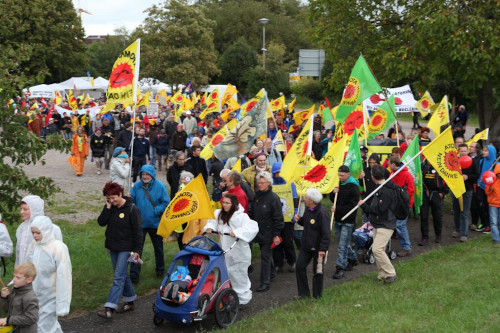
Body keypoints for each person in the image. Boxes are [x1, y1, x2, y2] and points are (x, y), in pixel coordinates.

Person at [97, 182, 143, 319]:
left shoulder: (132, 209)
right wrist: (108, 207)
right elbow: (101, 222)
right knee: (122, 275)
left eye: (113, 197)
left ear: (120, 194)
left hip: (126, 249)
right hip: (113, 248)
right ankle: (130, 302)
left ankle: (109, 308)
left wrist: (137, 250)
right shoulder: (111, 207)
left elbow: (138, 232)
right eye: (108, 198)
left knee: (118, 277)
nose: (112, 200)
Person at [205, 193, 259, 306]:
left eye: (227, 203)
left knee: (238, 276)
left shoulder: (241, 217)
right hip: (225, 251)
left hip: (239, 253)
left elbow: (252, 227)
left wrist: (237, 232)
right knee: (224, 274)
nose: (224, 205)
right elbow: (213, 221)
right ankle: (228, 296)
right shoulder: (219, 214)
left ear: (233, 204)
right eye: (223, 202)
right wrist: (210, 228)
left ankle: (243, 300)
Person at [27, 216, 72, 333]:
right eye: (33, 233)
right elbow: (28, 267)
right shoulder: (34, 245)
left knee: (44, 326)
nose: (35, 236)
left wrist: (62, 303)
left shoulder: (58, 248)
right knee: (45, 325)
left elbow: (64, 276)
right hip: (36, 294)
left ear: (46, 231)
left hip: (51, 296)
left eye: (38, 233)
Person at [129, 165, 170, 282]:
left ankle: (160, 270)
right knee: (136, 250)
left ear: (152, 175)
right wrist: (128, 198)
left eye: (147, 174)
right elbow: (132, 200)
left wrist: (155, 210)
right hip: (139, 224)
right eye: (143, 174)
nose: (145, 176)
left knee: (158, 249)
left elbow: (166, 203)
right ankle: (134, 274)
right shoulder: (136, 186)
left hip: (155, 223)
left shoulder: (160, 186)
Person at [359, 164, 398, 283]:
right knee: (379, 250)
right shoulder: (380, 187)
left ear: (373, 176)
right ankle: (382, 274)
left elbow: (380, 209)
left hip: (386, 224)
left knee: (377, 249)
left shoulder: (386, 190)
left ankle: (390, 273)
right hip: (378, 223)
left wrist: (364, 206)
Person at [249, 171, 284, 292]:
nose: (260, 185)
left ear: (268, 183)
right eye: (258, 182)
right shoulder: (256, 196)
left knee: (265, 256)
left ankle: (265, 282)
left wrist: (276, 235)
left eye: (262, 183)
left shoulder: (274, 198)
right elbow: (252, 212)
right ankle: (272, 271)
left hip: (269, 232)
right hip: (257, 231)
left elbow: (278, 218)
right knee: (266, 256)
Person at [294, 188, 331, 299]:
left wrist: (323, 249)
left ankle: (317, 295)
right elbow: (306, 222)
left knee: (317, 271)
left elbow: (326, 233)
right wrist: (299, 220)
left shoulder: (322, 213)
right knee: (300, 267)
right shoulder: (308, 209)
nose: (304, 198)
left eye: (306, 197)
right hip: (306, 245)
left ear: (312, 200)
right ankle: (304, 293)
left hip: (318, 247)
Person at [330, 165, 360, 279]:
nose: (340, 177)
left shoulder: (354, 187)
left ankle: (340, 267)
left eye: (342, 175)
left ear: (348, 174)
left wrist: (338, 209)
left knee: (342, 246)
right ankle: (353, 258)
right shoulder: (339, 184)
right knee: (343, 243)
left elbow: (353, 206)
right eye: (339, 175)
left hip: (348, 220)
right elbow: (333, 199)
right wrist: (333, 193)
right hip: (338, 219)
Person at [16, 195, 62, 267]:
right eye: (21, 209)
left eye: (25, 209)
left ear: (35, 210)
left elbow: (59, 254)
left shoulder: (51, 228)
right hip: (25, 272)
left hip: (44, 272)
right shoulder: (21, 228)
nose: (21, 212)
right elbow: (19, 252)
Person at [271, 162, 297, 273]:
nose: (278, 175)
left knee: (288, 241)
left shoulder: (290, 184)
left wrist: (295, 212)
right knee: (276, 242)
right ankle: (278, 263)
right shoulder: (271, 185)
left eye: (280, 172)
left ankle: (292, 262)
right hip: (275, 219)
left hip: (288, 219)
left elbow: (295, 199)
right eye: (276, 173)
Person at [0, 262, 39, 332]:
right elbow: (7, 310)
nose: (14, 279)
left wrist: (7, 320)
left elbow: (31, 318)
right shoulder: (14, 292)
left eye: (18, 277)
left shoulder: (30, 297)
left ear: (29, 280)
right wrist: (4, 298)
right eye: (14, 276)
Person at [388, 156, 414, 256]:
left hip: (404, 205)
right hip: (395, 204)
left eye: (389, 164)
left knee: (400, 225)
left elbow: (411, 190)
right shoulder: (393, 173)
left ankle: (406, 247)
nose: (388, 166)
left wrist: (400, 195)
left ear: (394, 164)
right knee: (398, 225)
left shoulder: (407, 175)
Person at [452, 144, 479, 242]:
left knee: (465, 212)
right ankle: (456, 229)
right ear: (458, 152)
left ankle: (464, 234)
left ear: (467, 151)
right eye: (461, 151)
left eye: (465, 151)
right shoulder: (454, 162)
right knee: (456, 211)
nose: (463, 152)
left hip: (468, 190)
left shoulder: (472, 162)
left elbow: (476, 175)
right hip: (456, 190)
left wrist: (468, 177)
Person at [419, 159, 447, 245]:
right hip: (424, 193)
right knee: (423, 216)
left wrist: (443, 192)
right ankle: (424, 237)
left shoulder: (440, 166)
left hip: (436, 194)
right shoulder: (422, 166)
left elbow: (447, 179)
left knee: (437, 216)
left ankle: (438, 234)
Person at [475, 144, 498, 232]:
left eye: (486, 151)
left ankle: (489, 224)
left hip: (491, 189)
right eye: (483, 150)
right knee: (480, 206)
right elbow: (480, 173)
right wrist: (478, 182)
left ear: (491, 152)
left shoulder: (496, 164)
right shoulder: (482, 161)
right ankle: (484, 223)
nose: (483, 152)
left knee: (488, 207)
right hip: (481, 187)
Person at [485, 164, 500, 245]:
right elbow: (487, 192)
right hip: (493, 204)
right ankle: (496, 239)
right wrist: (490, 189)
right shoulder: (492, 180)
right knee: (494, 222)